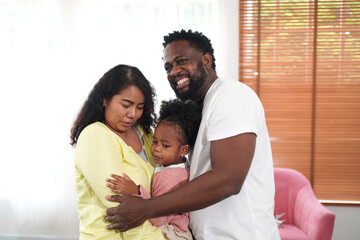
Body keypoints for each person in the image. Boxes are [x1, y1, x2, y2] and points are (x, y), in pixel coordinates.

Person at [105, 30, 281, 239]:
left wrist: (147, 208)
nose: (174, 72)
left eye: (181, 62)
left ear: (206, 60)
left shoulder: (231, 96)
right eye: (168, 67)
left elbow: (228, 179)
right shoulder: (200, 109)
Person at [70, 64, 165, 239]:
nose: (133, 114)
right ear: (105, 99)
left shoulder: (146, 134)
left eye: (140, 107)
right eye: (126, 105)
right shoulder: (95, 136)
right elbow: (124, 212)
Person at [106, 99, 201, 240]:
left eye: (165, 145)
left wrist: (136, 191)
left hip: (174, 233)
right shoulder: (181, 167)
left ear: (183, 150)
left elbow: (158, 218)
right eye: (155, 141)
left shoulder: (171, 178)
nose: (156, 148)